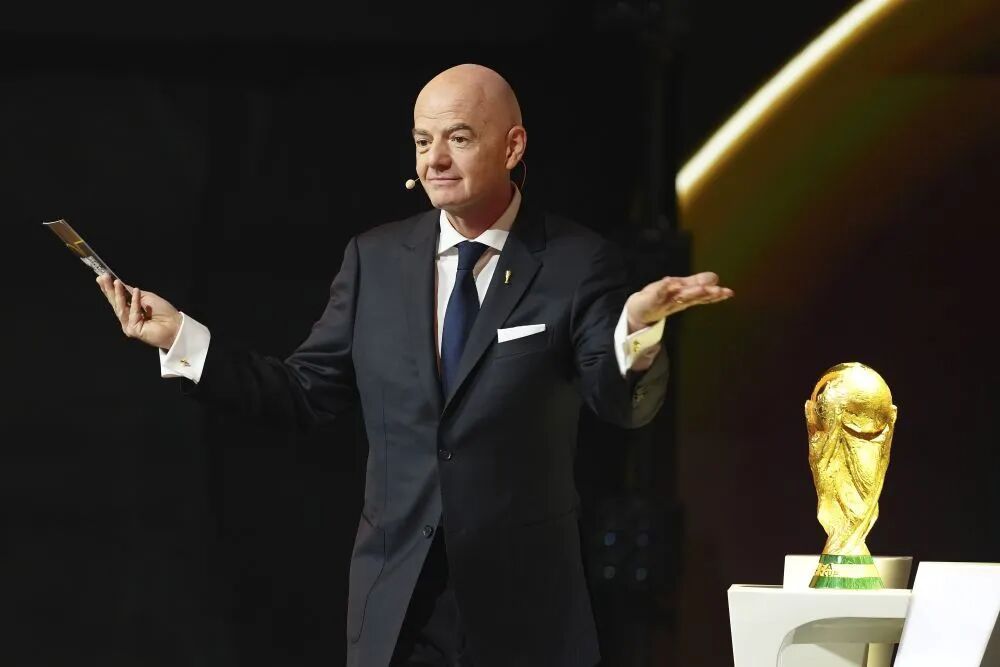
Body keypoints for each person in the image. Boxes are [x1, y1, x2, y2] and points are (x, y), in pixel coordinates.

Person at [97, 64, 732, 667]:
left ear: (512, 147)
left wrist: (637, 329)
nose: (435, 160)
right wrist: (184, 339)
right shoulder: (373, 260)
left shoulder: (576, 262)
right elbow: (303, 391)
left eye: (459, 138)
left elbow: (617, 400)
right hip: (399, 610)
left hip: (525, 615)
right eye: (423, 141)